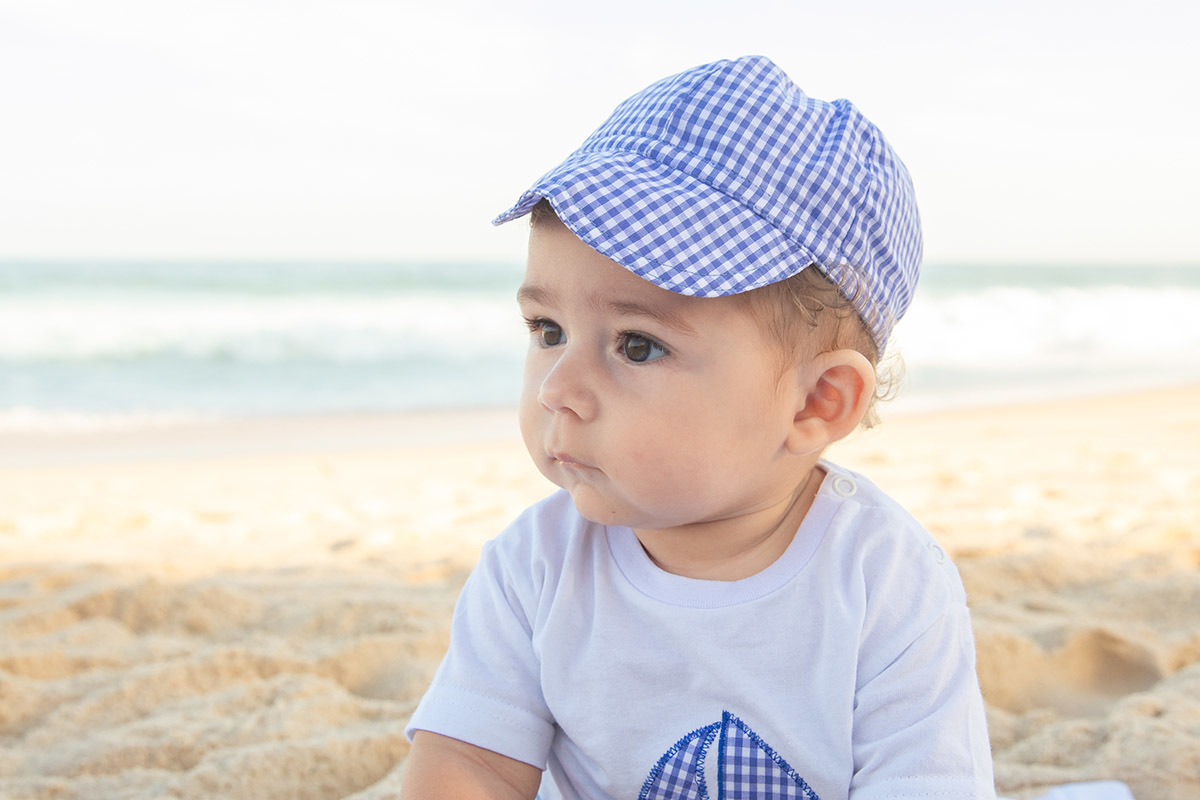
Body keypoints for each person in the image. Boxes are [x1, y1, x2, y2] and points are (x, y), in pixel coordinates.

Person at [401, 55, 995, 800]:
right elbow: (472, 762)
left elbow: (924, 782)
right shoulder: (536, 566)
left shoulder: (883, 580)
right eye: (547, 329)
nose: (558, 389)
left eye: (638, 344)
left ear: (816, 403)